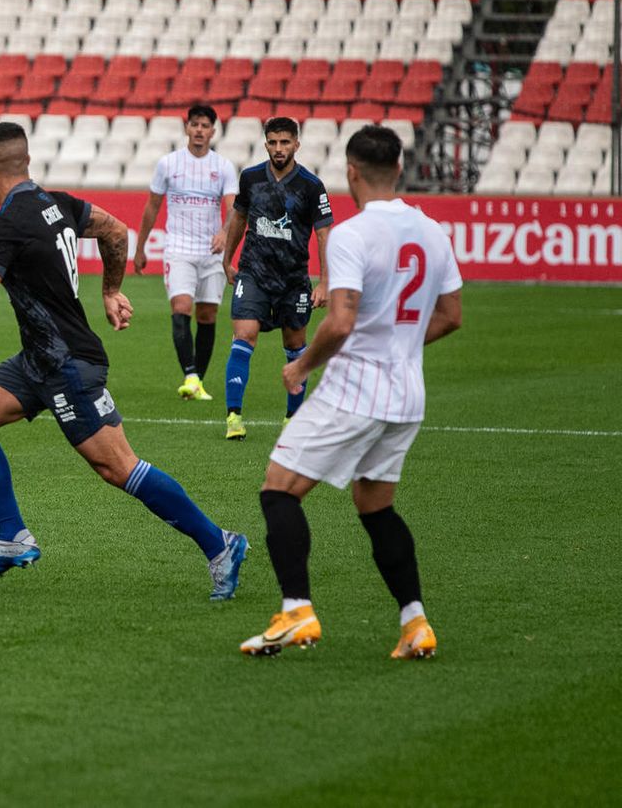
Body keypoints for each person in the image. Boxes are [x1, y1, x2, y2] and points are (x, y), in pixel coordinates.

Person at [0, 123, 248, 592]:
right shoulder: (58, 203)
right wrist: (111, 289)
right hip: (38, 358)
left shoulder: (4, 223)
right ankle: (13, 537)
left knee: (118, 467)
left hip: (67, 363)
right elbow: (115, 229)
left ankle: (219, 543)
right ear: (26, 161)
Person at [240, 126, 462, 659]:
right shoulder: (433, 231)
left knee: (278, 489)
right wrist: (397, 343)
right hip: (406, 393)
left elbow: (340, 322)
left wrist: (301, 367)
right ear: (400, 169)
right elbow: (452, 316)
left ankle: (296, 611)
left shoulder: (353, 234)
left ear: (352, 172)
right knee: (374, 504)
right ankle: (415, 623)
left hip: (356, 387)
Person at [218, 117, 334, 441]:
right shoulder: (251, 177)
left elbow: (324, 234)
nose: (279, 148)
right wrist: (227, 259)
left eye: (285, 142)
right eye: (273, 142)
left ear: (297, 144)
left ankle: (292, 418)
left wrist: (325, 282)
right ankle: (233, 417)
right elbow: (239, 217)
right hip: (253, 272)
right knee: (244, 335)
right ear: (266, 144)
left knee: (295, 345)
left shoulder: (311, 186)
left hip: (293, 279)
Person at [133, 104, 239, 403]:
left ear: (213, 131)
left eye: (205, 126)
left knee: (207, 314)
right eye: (195, 125)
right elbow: (152, 206)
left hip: (211, 251)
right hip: (178, 248)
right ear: (186, 128)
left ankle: (197, 383)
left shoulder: (224, 167)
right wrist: (140, 247)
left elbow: (233, 207)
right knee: (181, 307)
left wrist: (224, 232)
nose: (199, 130)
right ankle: (190, 375)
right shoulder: (168, 164)